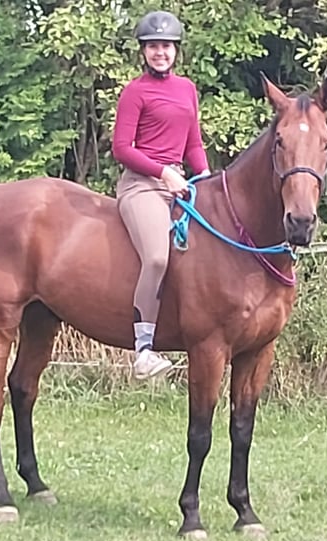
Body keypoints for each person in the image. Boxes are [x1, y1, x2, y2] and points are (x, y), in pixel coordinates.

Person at [112, 10, 211, 380]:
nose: (160, 53)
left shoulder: (186, 89)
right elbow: (122, 148)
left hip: (180, 184)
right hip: (142, 185)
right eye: (153, 47)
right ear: (144, 51)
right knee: (157, 257)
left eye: (166, 47)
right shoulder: (135, 92)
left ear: (175, 51)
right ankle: (143, 350)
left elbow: (193, 144)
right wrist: (163, 171)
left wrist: (205, 177)